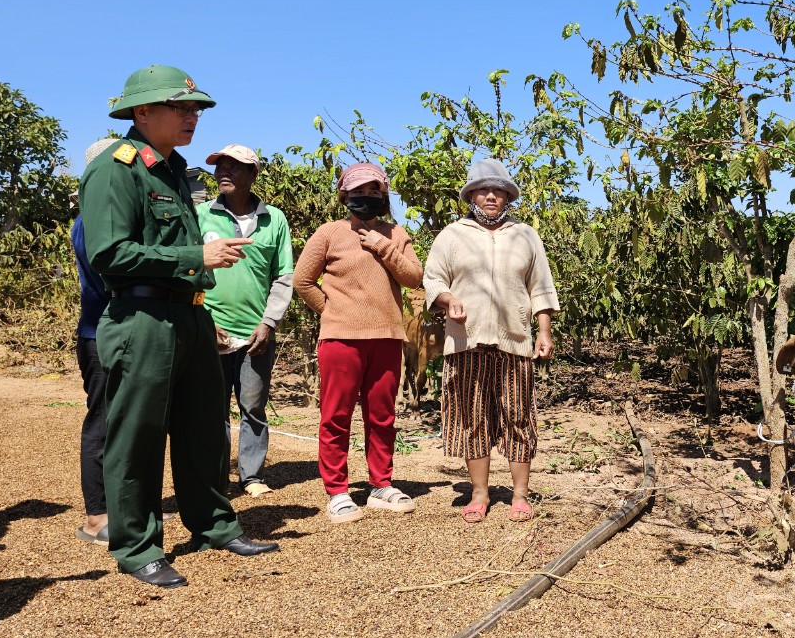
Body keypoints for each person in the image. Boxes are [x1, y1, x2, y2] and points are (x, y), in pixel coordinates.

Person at [78, 65, 280, 589]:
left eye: (196, 109)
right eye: (181, 107)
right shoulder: (116, 169)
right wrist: (199, 253)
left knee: (204, 431)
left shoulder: (173, 170)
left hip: (189, 315)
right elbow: (109, 254)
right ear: (142, 112)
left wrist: (199, 305)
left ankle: (214, 524)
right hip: (142, 318)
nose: (192, 117)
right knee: (138, 438)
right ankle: (137, 544)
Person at [423, 158, 559, 523]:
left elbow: (540, 287)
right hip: (467, 342)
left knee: (518, 414)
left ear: (508, 196)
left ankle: (519, 494)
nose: (491, 197)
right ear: (471, 195)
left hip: (514, 341)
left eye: (498, 190)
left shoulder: (526, 235)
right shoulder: (452, 235)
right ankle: (479, 493)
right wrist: (448, 300)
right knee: (473, 417)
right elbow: (433, 279)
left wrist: (543, 330)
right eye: (483, 190)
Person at [293, 162, 423, 523]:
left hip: (386, 337)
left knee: (382, 416)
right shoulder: (329, 233)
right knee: (336, 416)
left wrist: (383, 246)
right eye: (358, 191)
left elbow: (414, 278)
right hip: (341, 339)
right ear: (344, 195)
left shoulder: (396, 233)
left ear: (384, 195)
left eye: (373, 191)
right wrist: (333, 311)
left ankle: (381, 485)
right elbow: (303, 281)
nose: (366, 197)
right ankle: (337, 491)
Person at [196, 144, 294, 497]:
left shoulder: (274, 220)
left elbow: (284, 277)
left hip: (256, 335)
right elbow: (189, 271)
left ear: (253, 174)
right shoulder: (200, 216)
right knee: (212, 409)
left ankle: (251, 476)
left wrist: (268, 323)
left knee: (253, 406)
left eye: (234, 167)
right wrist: (202, 321)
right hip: (211, 332)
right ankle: (217, 476)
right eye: (220, 165)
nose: (224, 171)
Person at [71, 137, 118, 546]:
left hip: (113, 331)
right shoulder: (91, 222)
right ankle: (96, 516)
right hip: (100, 333)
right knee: (102, 423)